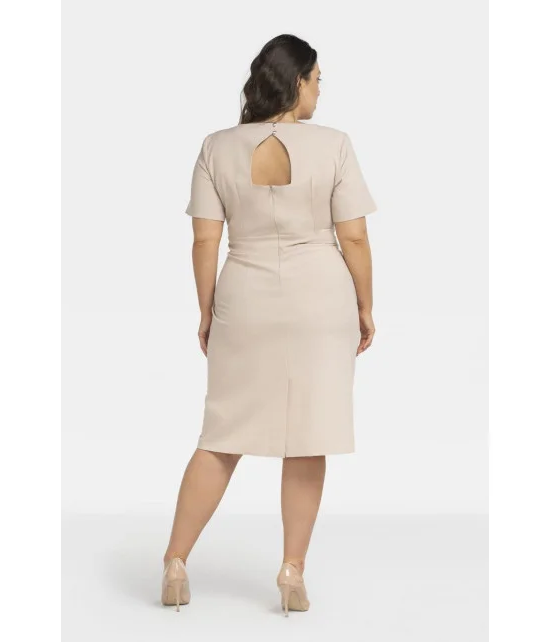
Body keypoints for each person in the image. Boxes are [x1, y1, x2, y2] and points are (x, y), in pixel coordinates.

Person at [161, 34, 377, 616]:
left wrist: (207, 311)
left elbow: (204, 241)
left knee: (221, 435)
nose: (319, 92)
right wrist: (365, 305)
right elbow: (355, 237)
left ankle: (176, 562)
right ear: (298, 81)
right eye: (317, 80)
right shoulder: (333, 145)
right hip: (320, 300)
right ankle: (291, 571)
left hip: (245, 295)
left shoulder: (216, 147)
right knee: (308, 437)